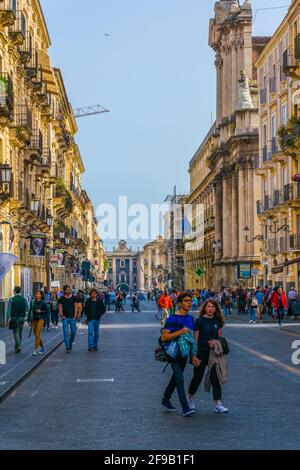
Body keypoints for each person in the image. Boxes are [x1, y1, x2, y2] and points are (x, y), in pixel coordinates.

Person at [161, 292, 200, 417]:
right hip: (173, 352)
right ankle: (185, 408)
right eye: (187, 301)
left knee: (176, 378)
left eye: (191, 300)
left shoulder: (190, 319)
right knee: (180, 379)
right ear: (179, 304)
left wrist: (193, 355)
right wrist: (179, 332)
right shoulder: (173, 318)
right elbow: (164, 337)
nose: (190, 302)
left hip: (184, 354)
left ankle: (166, 399)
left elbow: (190, 339)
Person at [187, 299, 228, 414]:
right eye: (208, 306)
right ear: (205, 308)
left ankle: (218, 404)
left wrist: (215, 342)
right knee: (197, 377)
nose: (210, 309)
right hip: (200, 353)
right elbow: (195, 340)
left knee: (216, 378)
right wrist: (193, 355)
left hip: (213, 354)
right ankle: (189, 398)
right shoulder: (199, 321)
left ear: (216, 309)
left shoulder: (217, 321)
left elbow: (220, 338)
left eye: (213, 307)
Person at [6, 287, 29, 354]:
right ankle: (17, 347)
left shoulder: (11, 299)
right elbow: (27, 309)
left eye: (13, 290)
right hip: (22, 318)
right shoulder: (24, 299)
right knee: (20, 333)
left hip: (14, 318)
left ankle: (18, 346)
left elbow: (9, 310)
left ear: (15, 291)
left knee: (16, 333)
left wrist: (7, 319)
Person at [58, 285, 78, 352]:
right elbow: (60, 307)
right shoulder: (61, 299)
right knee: (66, 333)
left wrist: (75, 316)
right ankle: (67, 347)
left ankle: (70, 343)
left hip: (73, 318)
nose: (68, 291)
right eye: (67, 290)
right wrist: (62, 315)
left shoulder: (74, 298)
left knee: (73, 332)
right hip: (65, 318)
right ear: (64, 291)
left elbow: (76, 307)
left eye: (69, 290)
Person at [28, 290, 47, 356]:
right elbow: (30, 310)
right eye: (36, 293)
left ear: (41, 295)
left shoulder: (43, 303)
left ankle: (35, 350)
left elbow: (46, 311)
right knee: (36, 335)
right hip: (34, 320)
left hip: (40, 319)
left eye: (38, 293)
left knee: (37, 334)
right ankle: (43, 348)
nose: (37, 294)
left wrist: (41, 311)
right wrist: (29, 320)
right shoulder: (32, 302)